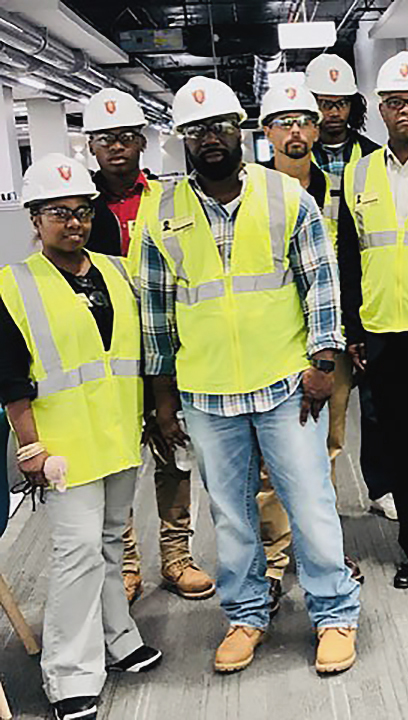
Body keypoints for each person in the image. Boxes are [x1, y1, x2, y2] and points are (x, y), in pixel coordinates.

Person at [139, 76, 361, 674]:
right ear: (184, 138)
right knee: (231, 514)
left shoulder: (287, 197)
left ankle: (334, 612)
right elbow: (156, 310)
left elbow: (321, 282)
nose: (209, 138)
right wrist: (162, 394)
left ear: (239, 130)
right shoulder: (162, 211)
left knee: (309, 502)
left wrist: (322, 363)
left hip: (286, 383)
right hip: (207, 392)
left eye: (219, 127)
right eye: (196, 130)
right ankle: (246, 615)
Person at [0, 154, 161, 720]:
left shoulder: (117, 273)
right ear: (35, 218)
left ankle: (118, 641)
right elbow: (10, 379)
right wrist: (31, 448)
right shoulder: (12, 285)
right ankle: (69, 676)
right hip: (62, 449)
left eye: (82, 212)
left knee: (112, 545)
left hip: (117, 436)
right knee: (75, 556)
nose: (73, 223)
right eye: (58, 213)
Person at [83, 88, 215, 603]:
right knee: (118, 458)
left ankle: (177, 556)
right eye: (105, 140)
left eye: (125, 138)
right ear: (92, 147)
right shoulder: (82, 208)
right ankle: (127, 563)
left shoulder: (171, 197)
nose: (116, 148)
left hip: (167, 343)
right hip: (107, 351)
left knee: (172, 448)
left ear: (142, 141)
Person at [338, 51, 408, 589]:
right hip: (386, 338)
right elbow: (348, 257)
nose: (407, 111)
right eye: (396, 102)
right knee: (405, 455)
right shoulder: (357, 175)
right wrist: (354, 330)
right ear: (381, 110)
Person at [257, 79, 363, 611]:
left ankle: (324, 551)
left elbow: (352, 260)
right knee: (272, 463)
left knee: (327, 450)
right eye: (283, 122)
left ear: (317, 129)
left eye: (304, 121)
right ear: (267, 131)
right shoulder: (251, 192)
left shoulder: (334, 188)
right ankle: (275, 561)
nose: (295, 132)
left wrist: (354, 332)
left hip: (330, 339)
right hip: (274, 342)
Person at [306, 53, 397, 521]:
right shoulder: (298, 159)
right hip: (316, 285)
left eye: (340, 103)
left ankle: (381, 486)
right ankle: (324, 499)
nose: (332, 113)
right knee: (328, 404)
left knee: (377, 400)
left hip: (367, 282)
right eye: (323, 103)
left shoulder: (372, 156)